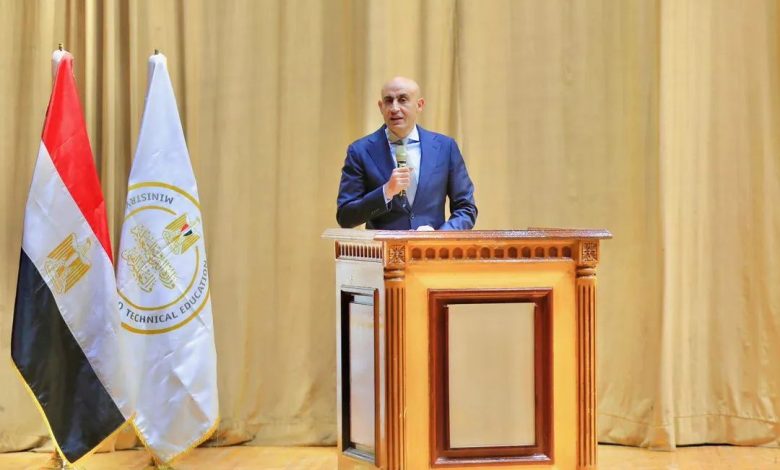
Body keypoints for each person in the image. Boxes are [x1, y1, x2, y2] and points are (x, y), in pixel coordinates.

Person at [336, 77, 477, 230]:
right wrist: (386, 192)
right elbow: (345, 216)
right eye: (389, 101)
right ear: (381, 107)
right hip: (384, 245)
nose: (394, 108)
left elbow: (466, 208)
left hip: (432, 245)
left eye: (402, 100)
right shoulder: (360, 151)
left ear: (419, 105)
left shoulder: (445, 148)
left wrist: (439, 236)